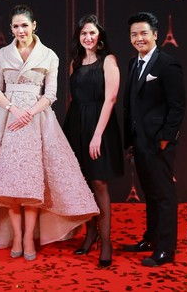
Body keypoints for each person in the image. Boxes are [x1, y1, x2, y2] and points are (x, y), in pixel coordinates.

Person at [0, 4, 99, 262]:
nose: (20, 30)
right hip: (6, 119)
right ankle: (16, 237)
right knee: (10, 185)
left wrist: (30, 113)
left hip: (37, 121)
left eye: (25, 25)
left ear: (34, 25)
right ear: (10, 28)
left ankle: (28, 239)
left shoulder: (49, 55)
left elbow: (51, 94)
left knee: (31, 185)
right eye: (16, 26)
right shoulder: (2, 55)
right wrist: (14, 109)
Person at [122, 11, 186, 267]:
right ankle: (151, 239)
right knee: (150, 193)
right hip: (139, 141)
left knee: (164, 195)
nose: (139, 38)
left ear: (155, 35)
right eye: (134, 34)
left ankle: (166, 250)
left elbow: (178, 106)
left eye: (144, 33)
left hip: (158, 142)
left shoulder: (167, 64)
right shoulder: (133, 64)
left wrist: (165, 139)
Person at [62, 14, 124, 268]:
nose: (88, 37)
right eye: (83, 33)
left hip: (100, 124)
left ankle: (106, 242)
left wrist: (97, 134)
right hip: (75, 123)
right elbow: (71, 99)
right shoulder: (74, 63)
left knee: (99, 182)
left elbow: (111, 99)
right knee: (82, 183)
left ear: (100, 37)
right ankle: (90, 234)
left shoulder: (108, 60)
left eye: (92, 33)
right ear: (79, 37)